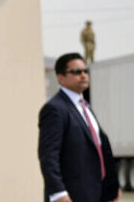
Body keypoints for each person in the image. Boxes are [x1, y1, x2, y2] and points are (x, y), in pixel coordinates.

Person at [38, 53, 120, 202]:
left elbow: (100, 149)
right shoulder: (55, 109)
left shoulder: (85, 107)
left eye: (85, 71)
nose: (83, 75)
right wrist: (58, 194)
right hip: (72, 196)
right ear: (61, 77)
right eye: (76, 72)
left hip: (98, 194)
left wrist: (112, 188)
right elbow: (48, 156)